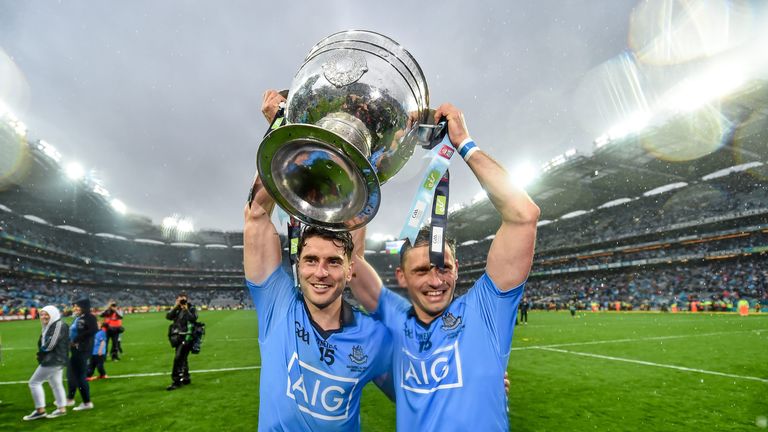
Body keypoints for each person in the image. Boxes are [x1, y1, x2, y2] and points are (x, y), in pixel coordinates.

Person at [349, 103, 540, 431]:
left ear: (457, 269)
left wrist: (464, 142)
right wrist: (375, 163)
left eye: (443, 267)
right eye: (421, 270)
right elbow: (350, 260)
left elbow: (524, 214)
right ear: (402, 277)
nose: (435, 279)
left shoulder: (485, 311)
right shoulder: (394, 317)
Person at [23, 305, 69, 421]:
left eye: (46, 314)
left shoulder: (58, 324)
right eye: (42, 314)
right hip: (56, 358)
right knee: (56, 384)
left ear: (53, 314)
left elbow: (51, 344)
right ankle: (61, 408)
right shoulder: (51, 325)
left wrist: (41, 352)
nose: (43, 316)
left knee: (34, 382)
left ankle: (40, 411)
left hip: (54, 359)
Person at [66, 298, 98, 411]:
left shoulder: (89, 317)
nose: (75, 308)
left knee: (79, 376)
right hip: (76, 350)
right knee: (70, 374)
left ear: (84, 307)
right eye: (74, 306)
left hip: (83, 350)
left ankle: (87, 402)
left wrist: (76, 340)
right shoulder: (78, 318)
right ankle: (70, 399)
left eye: (77, 306)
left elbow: (94, 330)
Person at [166, 291, 198, 390]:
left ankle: (176, 381)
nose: (182, 300)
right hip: (177, 337)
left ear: (187, 299)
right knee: (182, 357)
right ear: (177, 299)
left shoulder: (191, 308)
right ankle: (186, 377)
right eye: (180, 298)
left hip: (187, 337)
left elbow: (193, 319)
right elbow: (168, 317)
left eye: (184, 298)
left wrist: (186, 309)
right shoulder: (177, 309)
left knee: (178, 357)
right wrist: (176, 306)